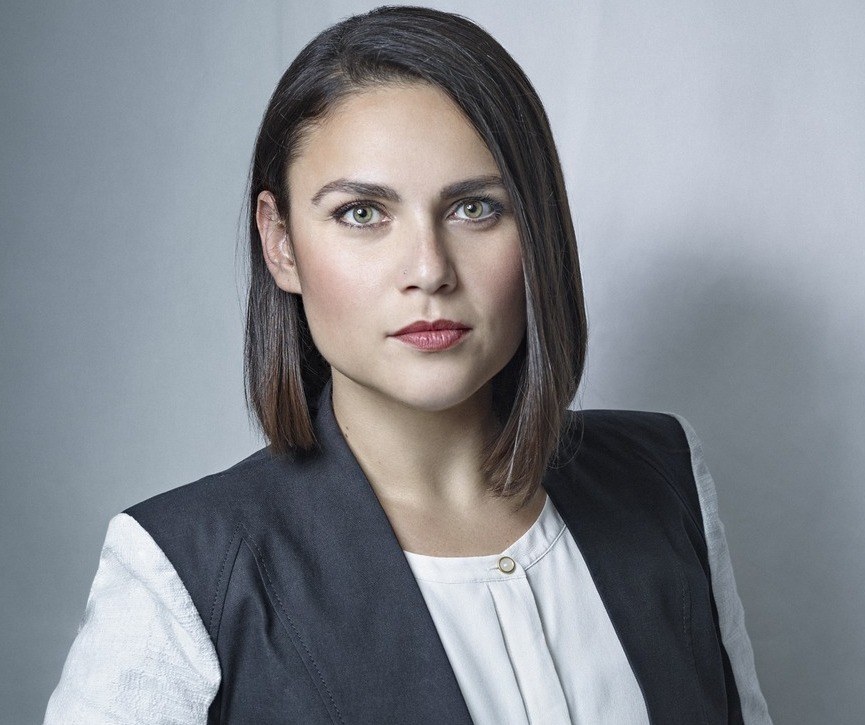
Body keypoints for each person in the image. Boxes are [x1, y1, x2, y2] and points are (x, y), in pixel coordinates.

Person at [45, 6, 771, 724]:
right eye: (362, 213)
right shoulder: (184, 569)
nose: (429, 270)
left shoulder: (664, 477)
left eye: (474, 208)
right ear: (281, 243)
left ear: (537, 226)